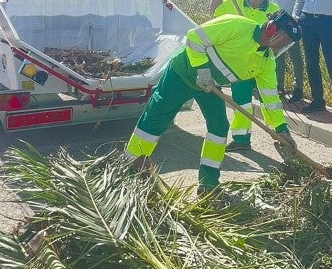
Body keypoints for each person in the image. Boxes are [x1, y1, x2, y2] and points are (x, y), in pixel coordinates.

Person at [123, 11, 303, 194]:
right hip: (182, 74)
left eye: (286, 44)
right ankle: (129, 168)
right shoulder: (237, 26)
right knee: (155, 119)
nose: (282, 47)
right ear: (272, 28)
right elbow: (194, 37)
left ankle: (208, 183)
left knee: (219, 127)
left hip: (210, 88)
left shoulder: (266, 62)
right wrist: (202, 70)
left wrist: (281, 130)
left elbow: (270, 98)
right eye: (284, 40)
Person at [208, 0, 281, 153]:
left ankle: (280, 133)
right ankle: (242, 139)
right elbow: (213, 11)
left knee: (271, 99)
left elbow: (280, 39)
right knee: (242, 101)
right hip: (241, 64)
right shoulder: (236, 2)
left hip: (264, 62)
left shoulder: (274, 10)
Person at [269, 0, 305, 103]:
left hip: (291, 21)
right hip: (275, 20)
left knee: (295, 56)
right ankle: (279, 87)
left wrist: (296, 17)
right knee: (277, 56)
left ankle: (299, 89)